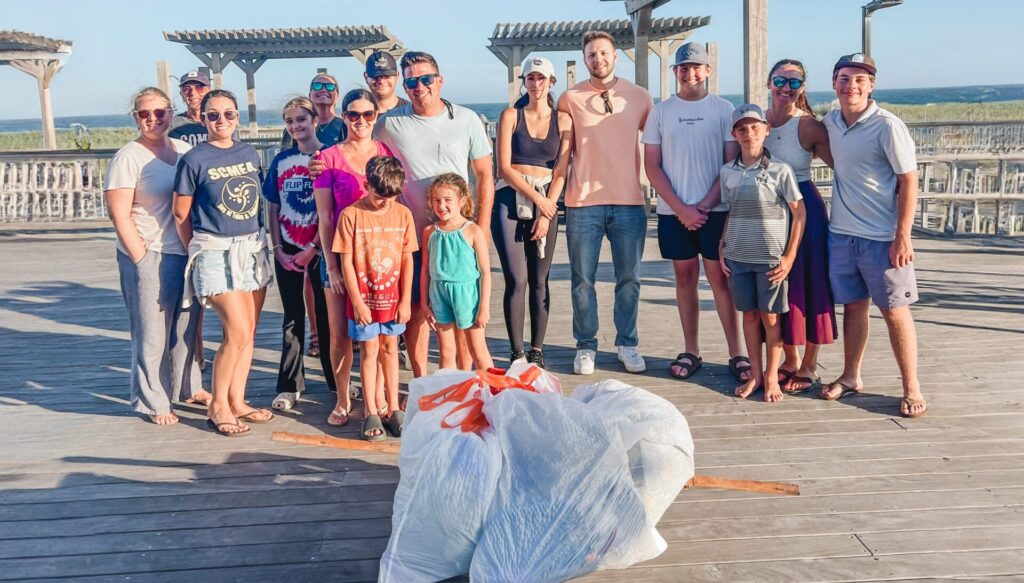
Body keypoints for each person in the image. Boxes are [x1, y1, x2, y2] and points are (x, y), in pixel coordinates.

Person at [374, 50, 494, 376]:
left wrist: (479, 229)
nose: (419, 86)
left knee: (462, 317)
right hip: (411, 236)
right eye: (411, 81)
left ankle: (467, 383)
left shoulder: (467, 119)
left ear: (440, 81)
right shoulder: (389, 123)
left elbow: (484, 174)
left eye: (426, 79)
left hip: (458, 235)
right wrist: (320, 163)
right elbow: (364, 161)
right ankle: (422, 381)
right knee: (417, 311)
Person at [821, 53, 927, 418]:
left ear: (872, 85)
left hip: (883, 236)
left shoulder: (887, 125)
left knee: (895, 310)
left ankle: (911, 387)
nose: (852, 85)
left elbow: (909, 179)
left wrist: (903, 235)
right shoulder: (831, 122)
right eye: (845, 78)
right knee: (853, 307)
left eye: (860, 79)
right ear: (834, 82)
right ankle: (851, 376)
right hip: (841, 233)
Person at [642, 41, 750, 383]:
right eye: (683, 68)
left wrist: (702, 206)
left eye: (696, 67)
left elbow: (729, 164)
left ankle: (738, 353)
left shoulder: (723, 109)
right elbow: (652, 166)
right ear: (675, 72)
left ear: (707, 71)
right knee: (685, 279)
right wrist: (681, 209)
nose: (689, 74)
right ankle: (691, 349)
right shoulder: (661, 112)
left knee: (720, 279)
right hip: (674, 213)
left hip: (714, 211)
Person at [104, 87, 208, 424]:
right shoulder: (128, 157)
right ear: (136, 117)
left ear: (171, 112)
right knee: (152, 331)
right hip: (149, 252)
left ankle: (189, 387)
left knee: (185, 326)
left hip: (184, 250)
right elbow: (118, 214)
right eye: (144, 113)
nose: (153, 119)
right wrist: (139, 256)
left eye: (160, 112)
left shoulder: (182, 150)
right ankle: (152, 400)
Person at [173, 89, 274, 436]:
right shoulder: (193, 159)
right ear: (202, 118)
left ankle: (238, 399)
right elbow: (180, 212)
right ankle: (218, 406)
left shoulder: (247, 152)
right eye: (213, 115)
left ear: (237, 117)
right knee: (237, 330)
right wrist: (197, 249)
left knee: (249, 333)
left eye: (228, 114)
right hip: (215, 249)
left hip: (251, 246)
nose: (221, 121)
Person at [558, 31, 652, 375]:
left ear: (615, 57)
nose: (598, 59)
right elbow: (562, 152)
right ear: (585, 60)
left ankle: (627, 342)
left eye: (603, 53)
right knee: (582, 279)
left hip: (629, 201)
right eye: (591, 55)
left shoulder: (640, 97)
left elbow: (658, 143)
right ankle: (586, 345)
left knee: (630, 278)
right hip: (583, 204)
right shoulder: (569, 98)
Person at [311, 89, 394, 425]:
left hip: (378, 259)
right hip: (340, 258)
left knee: (382, 335)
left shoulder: (387, 151)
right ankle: (343, 398)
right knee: (339, 333)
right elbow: (326, 217)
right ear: (343, 116)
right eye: (354, 115)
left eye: (368, 115)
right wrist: (331, 265)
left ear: (376, 117)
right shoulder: (328, 157)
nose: (361, 121)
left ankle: (382, 397)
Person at [718, 104, 806, 403]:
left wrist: (789, 256)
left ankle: (771, 376)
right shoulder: (727, 172)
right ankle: (755, 373)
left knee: (771, 317)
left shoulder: (781, 170)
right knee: (749, 316)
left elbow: (800, 213)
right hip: (738, 256)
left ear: (766, 130)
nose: (749, 134)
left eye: (755, 127)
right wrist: (723, 243)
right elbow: (731, 210)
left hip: (770, 259)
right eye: (742, 129)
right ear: (734, 134)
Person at [763, 59, 838, 394]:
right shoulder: (758, 122)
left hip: (803, 207)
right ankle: (789, 359)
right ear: (769, 82)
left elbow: (844, 167)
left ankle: (809, 364)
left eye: (794, 83)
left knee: (809, 283)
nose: (786, 88)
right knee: (780, 285)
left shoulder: (807, 126)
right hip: (768, 211)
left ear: (802, 88)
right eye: (781, 80)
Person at [493, 56, 570, 368]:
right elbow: (504, 167)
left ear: (551, 82)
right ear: (523, 81)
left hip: (546, 200)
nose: (536, 84)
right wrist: (539, 202)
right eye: (530, 78)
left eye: (541, 78)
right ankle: (517, 352)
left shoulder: (563, 120)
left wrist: (546, 209)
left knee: (540, 279)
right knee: (516, 279)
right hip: (511, 198)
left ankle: (537, 350)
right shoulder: (511, 115)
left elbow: (562, 168)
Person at [263, 97, 336, 412]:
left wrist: (315, 248)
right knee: (293, 318)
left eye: (301, 120)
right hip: (288, 248)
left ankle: (338, 382)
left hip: (319, 248)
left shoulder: (328, 157)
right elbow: (273, 204)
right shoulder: (281, 161)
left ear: (314, 120)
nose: (296, 126)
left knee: (327, 317)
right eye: (290, 121)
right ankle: (290, 385)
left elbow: (332, 208)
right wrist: (277, 248)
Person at [337, 156, 417, 440]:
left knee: (391, 350)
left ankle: (393, 407)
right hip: (364, 300)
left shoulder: (403, 215)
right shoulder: (351, 215)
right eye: (379, 195)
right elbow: (346, 262)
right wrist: (357, 301)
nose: (385, 202)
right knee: (369, 352)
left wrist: (406, 299)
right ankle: (371, 409)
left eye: (391, 197)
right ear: (366, 185)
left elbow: (407, 259)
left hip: (393, 300)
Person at [422, 174, 494, 371]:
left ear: (462, 201)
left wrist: (484, 309)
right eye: (436, 200)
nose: (441, 206)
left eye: (447, 200)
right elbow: (425, 270)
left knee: (478, 350)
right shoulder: (429, 232)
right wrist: (423, 303)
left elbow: (485, 273)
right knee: (446, 352)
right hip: (439, 294)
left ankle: (495, 394)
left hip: (467, 296)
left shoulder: (473, 231)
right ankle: (452, 395)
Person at [281, 73, 346, 150]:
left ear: (337, 96)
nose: (323, 90)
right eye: (317, 86)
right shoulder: (295, 129)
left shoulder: (346, 127)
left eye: (330, 87)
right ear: (309, 95)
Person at [168, 70, 211, 146]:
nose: (193, 93)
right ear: (181, 94)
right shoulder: (171, 125)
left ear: (209, 91)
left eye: (199, 87)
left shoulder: (218, 121)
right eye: (186, 89)